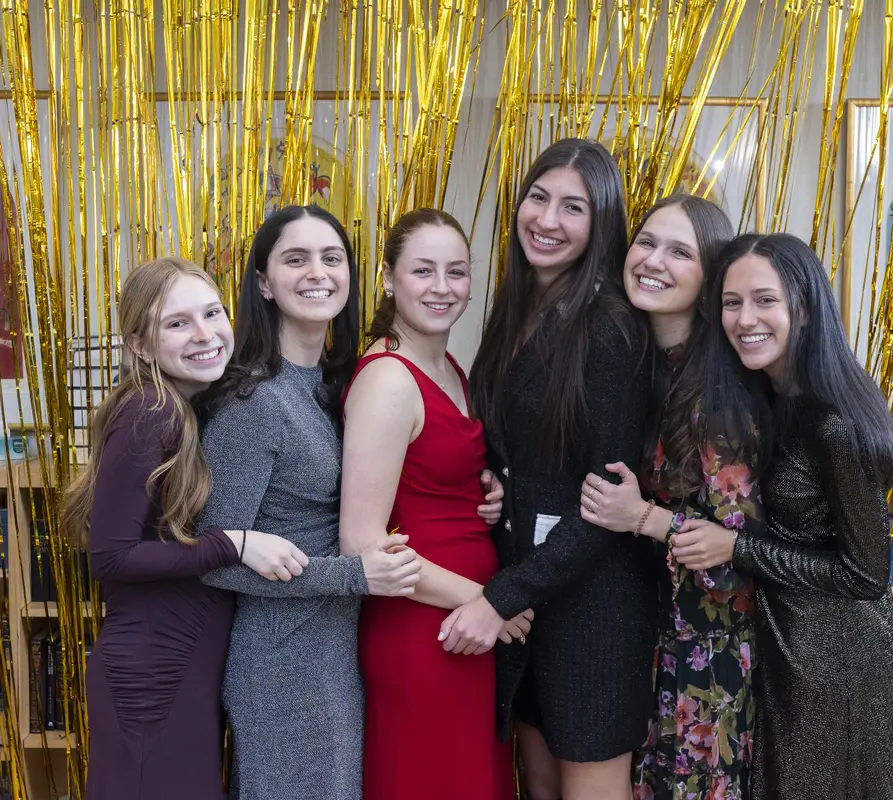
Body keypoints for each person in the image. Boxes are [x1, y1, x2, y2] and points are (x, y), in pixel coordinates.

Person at [447, 138, 656, 800]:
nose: (546, 219)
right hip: (529, 598)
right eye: (538, 197)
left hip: (593, 609)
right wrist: (493, 481)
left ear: (602, 224)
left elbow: (605, 502)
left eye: (573, 207)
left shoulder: (612, 326)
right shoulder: (515, 310)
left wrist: (500, 597)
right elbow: (520, 447)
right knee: (538, 786)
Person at [194, 205, 422, 800]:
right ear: (264, 283)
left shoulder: (335, 383)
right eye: (296, 259)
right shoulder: (254, 402)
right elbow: (214, 559)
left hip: (335, 647)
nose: (318, 272)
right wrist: (356, 575)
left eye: (332, 258)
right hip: (283, 657)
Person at [61, 257, 309, 800]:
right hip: (153, 673)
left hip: (180, 665)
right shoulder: (152, 410)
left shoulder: (189, 406)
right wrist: (233, 545)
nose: (204, 333)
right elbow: (111, 556)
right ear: (141, 345)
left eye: (212, 313)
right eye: (177, 323)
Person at [678, 233, 893, 799]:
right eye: (731, 302)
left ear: (803, 307)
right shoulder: (769, 397)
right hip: (783, 640)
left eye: (765, 300)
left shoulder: (833, 423)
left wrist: (735, 548)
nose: (745, 319)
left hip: (835, 660)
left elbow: (865, 575)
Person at [577, 194, 760, 799]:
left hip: (705, 660)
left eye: (680, 251)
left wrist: (644, 518)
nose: (654, 260)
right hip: (649, 638)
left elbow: (741, 555)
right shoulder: (645, 364)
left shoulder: (718, 395)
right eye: (647, 242)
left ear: (710, 278)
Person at [340, 208, 519, 800]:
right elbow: (362, 544)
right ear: (388, 278)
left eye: (456, 271)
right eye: (423, 270)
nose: (442, 287)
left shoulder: (447, 366)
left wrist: (485, 485)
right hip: (424, 630)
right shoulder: (389, 379)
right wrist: (487, 601)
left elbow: (432, 474)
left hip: (467, 626)